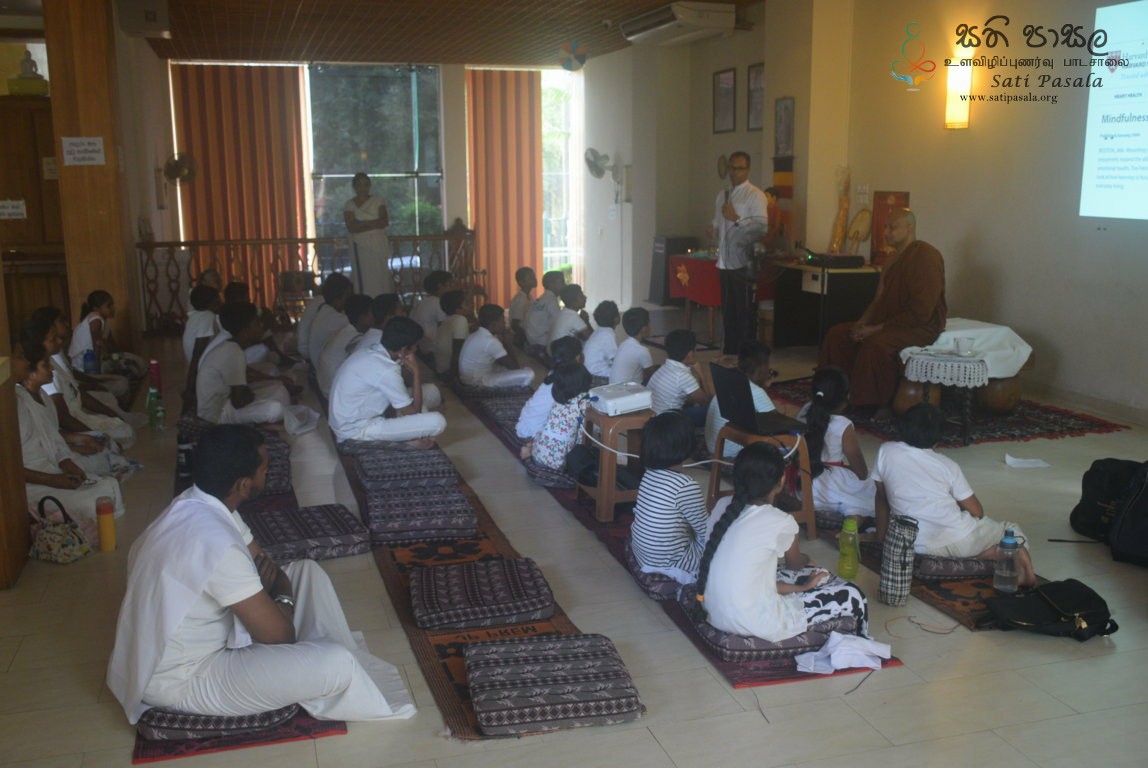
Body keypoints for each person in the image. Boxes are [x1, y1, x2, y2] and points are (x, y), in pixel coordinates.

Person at [106, 424, 415, 724]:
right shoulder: (218, 543)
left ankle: (300, 648)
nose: (266, 474)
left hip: (179, 650)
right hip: (184, 679)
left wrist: (279, 593)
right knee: (339, 664)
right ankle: (307, 654)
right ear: (243, 484)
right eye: (264, 470)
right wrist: (282, 597)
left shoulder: (196, 504)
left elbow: (265, 562)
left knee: (306, 570)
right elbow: (280, 636)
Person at [695, 444, 870, 642]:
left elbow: (758, 579)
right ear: (781, 481)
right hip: (753, 621)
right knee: (853, 594)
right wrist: (807, 560)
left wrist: (801, 588)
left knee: (779, 572)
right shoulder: (782, 521)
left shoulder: (722, 505)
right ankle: (861, 642)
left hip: (713, 611)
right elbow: (795, 564)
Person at [872, 403, 1036, 587]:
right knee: (1010, 529)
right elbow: (977, 512)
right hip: (958, 540)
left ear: (902, 428)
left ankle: (977, 559)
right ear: (938, 439)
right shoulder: (947, 465)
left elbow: (881, 498)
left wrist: (881, 539)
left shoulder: (886, 452)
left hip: (913, 545)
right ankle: (1011, 564)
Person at [818, 208, 947, 416]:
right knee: (838, 335)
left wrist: (874, 329)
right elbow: (877, 301)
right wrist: (860, 324)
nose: (886, 232)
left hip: (919, 326)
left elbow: (921, 311)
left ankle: (869, 405)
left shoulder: (925, 256)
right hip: (890, 322)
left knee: (876, 344)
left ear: (909, 228)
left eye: (893, 227)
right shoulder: (891, 261)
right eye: (885, 227)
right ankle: (832, 394)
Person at [15, 343, 126, 521]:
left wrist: (66, 462)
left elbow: (53, 438)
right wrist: (53, 480)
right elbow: (9, 470)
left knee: (109, 486)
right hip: (28, 485)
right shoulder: (14, 403)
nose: (25, 362)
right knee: (97, 500)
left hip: (50, 469)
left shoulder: (36, 397)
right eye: (20, 357)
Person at [26, 309, 141, 450]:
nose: (59, 340)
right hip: (74, 422)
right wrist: (94, 436)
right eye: (53, 339)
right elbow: (64, 418)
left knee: (124, 429)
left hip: (77, 414)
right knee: (124, 432)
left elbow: (75, 390)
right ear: (39, 343)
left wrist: (111, 416)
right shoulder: (46, 375)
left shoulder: (52, 362)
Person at [328, 316, 446, 447]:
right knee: (438, 421)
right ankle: (406, 443)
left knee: (430, 392)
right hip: (355, 431)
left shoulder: (371, 351)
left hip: (346, 421)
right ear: (403, 349)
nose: (416, 350)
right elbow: (415, 415)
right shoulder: (387, 369)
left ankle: (405, 439)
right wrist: (416, 371)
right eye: (415, 346)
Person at [629, 411, 709, 583]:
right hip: (670, 566)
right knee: (719, 543)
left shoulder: (649, 472)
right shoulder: (685, 485)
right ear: (686, 445)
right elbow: (706, 531)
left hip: (642, 556)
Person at [196, 302, 303, 429]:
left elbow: (244, 378)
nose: (261, 326)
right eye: (256, 323)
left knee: (279, 389)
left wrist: (267, 384)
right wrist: (252, 395)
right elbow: (239, 401)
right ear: (245, 331)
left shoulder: (232, 347)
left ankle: (265, 419)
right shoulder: (233, 351)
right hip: (216, 414)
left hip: (228, 400)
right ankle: (262, 425)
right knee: (275, 409)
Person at [706, 151, 768, 355]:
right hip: (725, 261)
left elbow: (761, 228)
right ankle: (730, 351)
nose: (734, 172)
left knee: (744, 312)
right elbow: (717, 220)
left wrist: (736, 218)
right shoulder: (722, 194)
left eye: (739, 168)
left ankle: (746, 354)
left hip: (743, 262)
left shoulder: (754, 195)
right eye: (732, 168)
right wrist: (713, 228)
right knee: (728, 311)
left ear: (748, 170)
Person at [799, 366, 876, 521]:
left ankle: (825, 513)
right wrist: (844, 469)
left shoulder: (805, 411)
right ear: (845, 397)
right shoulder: (843, 424)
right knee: (872, 491)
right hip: (830, 486)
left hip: (801, 486)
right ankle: (852, 521)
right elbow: (861, 472)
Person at [704, 340, 776, 459]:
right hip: (729, 452)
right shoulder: (756, 391)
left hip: (714, 445)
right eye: (768, 367)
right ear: (760, 370)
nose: (769, 371)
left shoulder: (730, 382)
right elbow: (776, 424)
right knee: (788, 445)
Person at [516, 336, 583, 457]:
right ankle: (535, 447)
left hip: (524, 424)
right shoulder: (569, 379)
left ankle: (533, 446)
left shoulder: (556, 371)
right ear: (578, 357)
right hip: (534, 430)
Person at [67, 290, 139, 398]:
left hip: (97, 361)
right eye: (109, 306)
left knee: (132, 360)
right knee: (123, 375)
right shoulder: (95, 318)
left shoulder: (104, 323)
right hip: (86, 367)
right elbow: (97, 344)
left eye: (113, 305)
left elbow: (114, 347)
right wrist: (99, 372)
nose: (113, 308)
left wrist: (121, 356)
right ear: (96, 308)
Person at [530, 362, 593, 471]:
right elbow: (582, 436)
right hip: (559, 461)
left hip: (538, 454)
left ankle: (531, 450)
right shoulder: (583, 402)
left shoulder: (560, 399)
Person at [458, 304, 535, 389]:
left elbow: (503, 362)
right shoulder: (491, 341)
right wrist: (509, 344)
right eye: (503, 321)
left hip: (468, 376)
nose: (505, 324)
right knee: (528, 374)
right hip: (476, 381)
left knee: (503, 368)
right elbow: (515, 368)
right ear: (493, 324)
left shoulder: (475, 334)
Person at [647, 329, 712, 426]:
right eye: (695, 350)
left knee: (692, 402)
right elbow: (708, 402)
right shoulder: (683, 376)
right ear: (690, 354)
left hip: (653, 417)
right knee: (713, 411)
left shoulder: (664, 367)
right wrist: (701, 373)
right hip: (669, 423)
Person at [343, 172, 394, 294]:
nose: (362, 188)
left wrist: (362, 223)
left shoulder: (378, 201)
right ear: (354, 187)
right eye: (359, 185)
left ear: (369, 186)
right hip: (360, 246)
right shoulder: (349, 205)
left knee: (380, 274)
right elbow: (352, 227)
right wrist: (373, 223)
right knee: (364, 276)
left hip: (378, 244)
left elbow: (383, 221)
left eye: (365, 185)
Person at [316, 293, 373, 398]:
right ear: (363, 317)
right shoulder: (355, 339)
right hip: (335, 392)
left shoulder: (344, 331)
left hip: (326, 387)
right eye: (372, 313)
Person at [296, 273, 353, 363]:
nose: (350, 301)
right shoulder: (335, 318)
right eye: (348, 297)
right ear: (338, 298)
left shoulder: (323, 308)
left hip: (310, 356)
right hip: (311, 358)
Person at [410, 270, 454, 354]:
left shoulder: (421, 303)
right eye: (450, 284)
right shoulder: (437, 302)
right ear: (440, 286)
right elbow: (446, 327)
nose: (452, 287)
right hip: (432, 349)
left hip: (419, 348)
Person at [610, 307, 657, 385]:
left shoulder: (624, 344)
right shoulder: (642, 350)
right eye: (649, 323)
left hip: (614, 388)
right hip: (627, 391)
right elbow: (653, 376)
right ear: (644, 329)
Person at [523, 270, 566, 355]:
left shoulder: (541, 299)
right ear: (552, 285)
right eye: (561, 282)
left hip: (533, 341)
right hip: (542, 344)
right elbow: (559, 324)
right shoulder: (551, 300)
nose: (565, 285)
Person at [433, 289, 472, 381]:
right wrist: (453, 379)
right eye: (466, 303)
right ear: (457, 308)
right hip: (449, 372)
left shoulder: (445, 321)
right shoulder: (461, 320)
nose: (470, 306)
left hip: (441, 369)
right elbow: (457, 351)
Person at [183, 285, 222, 364]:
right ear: (212, 304)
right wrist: (193, 370)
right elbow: (198, 349)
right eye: (218, 302)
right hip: (203, 365)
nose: (221, 304)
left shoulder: (194, 316)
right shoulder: (207, 316)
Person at [583, 301, 619, 383]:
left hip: (589, 374)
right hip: (598, 377)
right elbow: (616, 360)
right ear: (616, 318)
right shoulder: (608, 334)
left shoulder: (599, 332)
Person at [508, 266, 537, 348]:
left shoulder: (529, 296)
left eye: (534, 276)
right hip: (522, 339)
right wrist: (527, 337)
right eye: (530, 277)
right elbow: (515, 324)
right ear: (521, 282)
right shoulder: (520, 300)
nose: (534, 279)